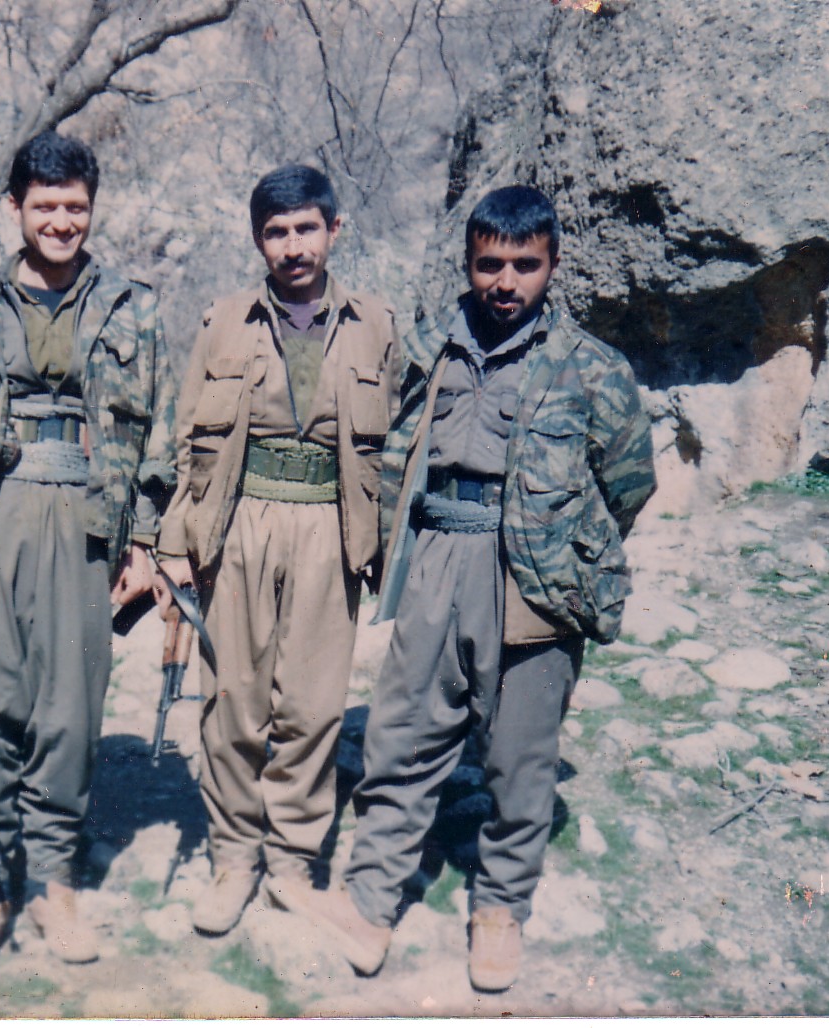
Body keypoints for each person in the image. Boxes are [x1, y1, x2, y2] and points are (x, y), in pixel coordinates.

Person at [278, 185, 656, 990]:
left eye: (525, 265)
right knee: (403, 736)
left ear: (552, 264)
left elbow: (629, 481)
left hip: (534, 578)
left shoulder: (592, 367)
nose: (506, 282)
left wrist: (561, 546)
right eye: (490, 265)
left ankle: (500, 909)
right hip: (438, 552)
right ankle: (370, 905)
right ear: (468, 263)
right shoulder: (429, 348)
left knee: (519, 756)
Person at [0, 130, 176, 967]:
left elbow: (160, 438)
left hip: (87, 520)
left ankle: (55, 880)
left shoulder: (132, 308)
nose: (61, 222)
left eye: (76, 208)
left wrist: (147, 541)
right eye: (45, 207)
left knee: (69, 708)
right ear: (14, 208)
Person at [157, 164, 400, 936]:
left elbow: (396, 446)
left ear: (334, 229)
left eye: (306, 229)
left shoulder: (377, 325)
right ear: (258, 240)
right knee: (233, 700)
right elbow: (186, 440)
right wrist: (174, 546)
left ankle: (292, 860)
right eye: (275, 232)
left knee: (313, 704)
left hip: (331, 526)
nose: (293, 246)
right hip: (239, 523)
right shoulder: (224, 322)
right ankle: (233, 859)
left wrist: (384, 545)